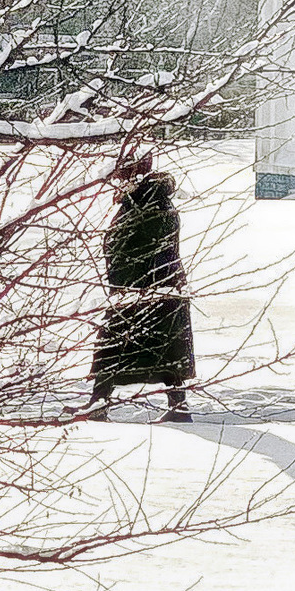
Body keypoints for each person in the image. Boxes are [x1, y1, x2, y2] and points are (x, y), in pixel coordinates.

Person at [84, 150, 195, 421]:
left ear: (135, 177)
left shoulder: (148, 205)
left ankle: (99, 405)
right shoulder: (148, 201)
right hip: (154, 289)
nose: (117, 184)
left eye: (122, 178)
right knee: (165, 350)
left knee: (116, 348)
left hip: (144, 290)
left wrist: (124, 281)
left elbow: (139, 249)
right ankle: (177, 407)